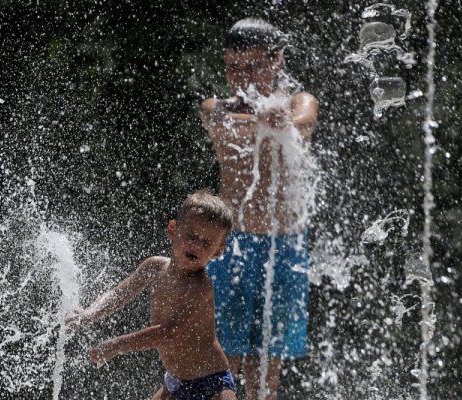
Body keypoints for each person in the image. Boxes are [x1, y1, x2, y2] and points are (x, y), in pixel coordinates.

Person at [199, 18, 318, 399]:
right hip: (229, 246)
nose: (244, 78)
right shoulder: (215, 108)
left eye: (255, 66)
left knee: (267, 362)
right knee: (223, 356)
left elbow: (302, 123)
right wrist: (263, 121)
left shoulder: (300, 102)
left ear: (278, 60)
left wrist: (282, 120)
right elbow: (223, 123)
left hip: (285, 247)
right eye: (234, 67)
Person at [67, 191, 237, 400]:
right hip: (174, 382)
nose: (196, 246)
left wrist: (116, 345)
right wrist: (88, 315)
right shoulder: (154, 267)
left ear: (217, 252)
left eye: (206, 244)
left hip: (212, 384)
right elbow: (119, 294)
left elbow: (168, 332)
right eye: (192, 236)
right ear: (173, 230)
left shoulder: (200, 286)